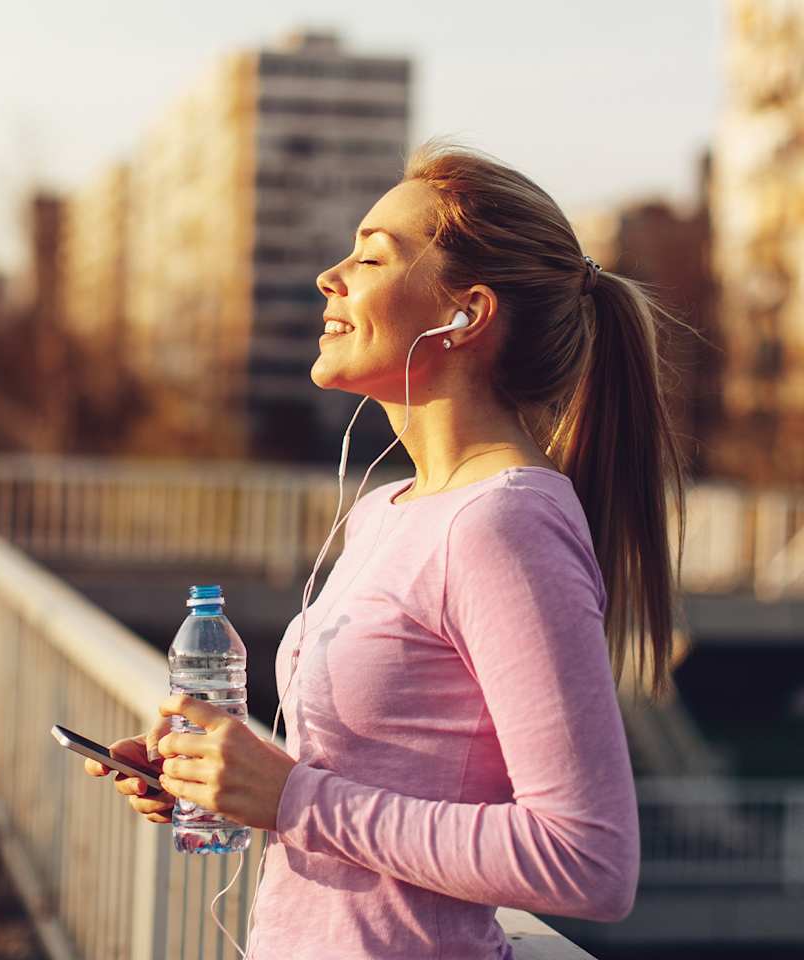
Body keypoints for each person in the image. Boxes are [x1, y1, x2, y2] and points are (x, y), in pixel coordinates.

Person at [84, 137, 689, 958]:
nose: (330, 276)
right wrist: (227, 779)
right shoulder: (388, 510)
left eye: (371, 257)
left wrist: (293, 797)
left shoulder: (505, 525)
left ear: (466, 314)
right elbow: (384, 781)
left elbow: (588, 859)